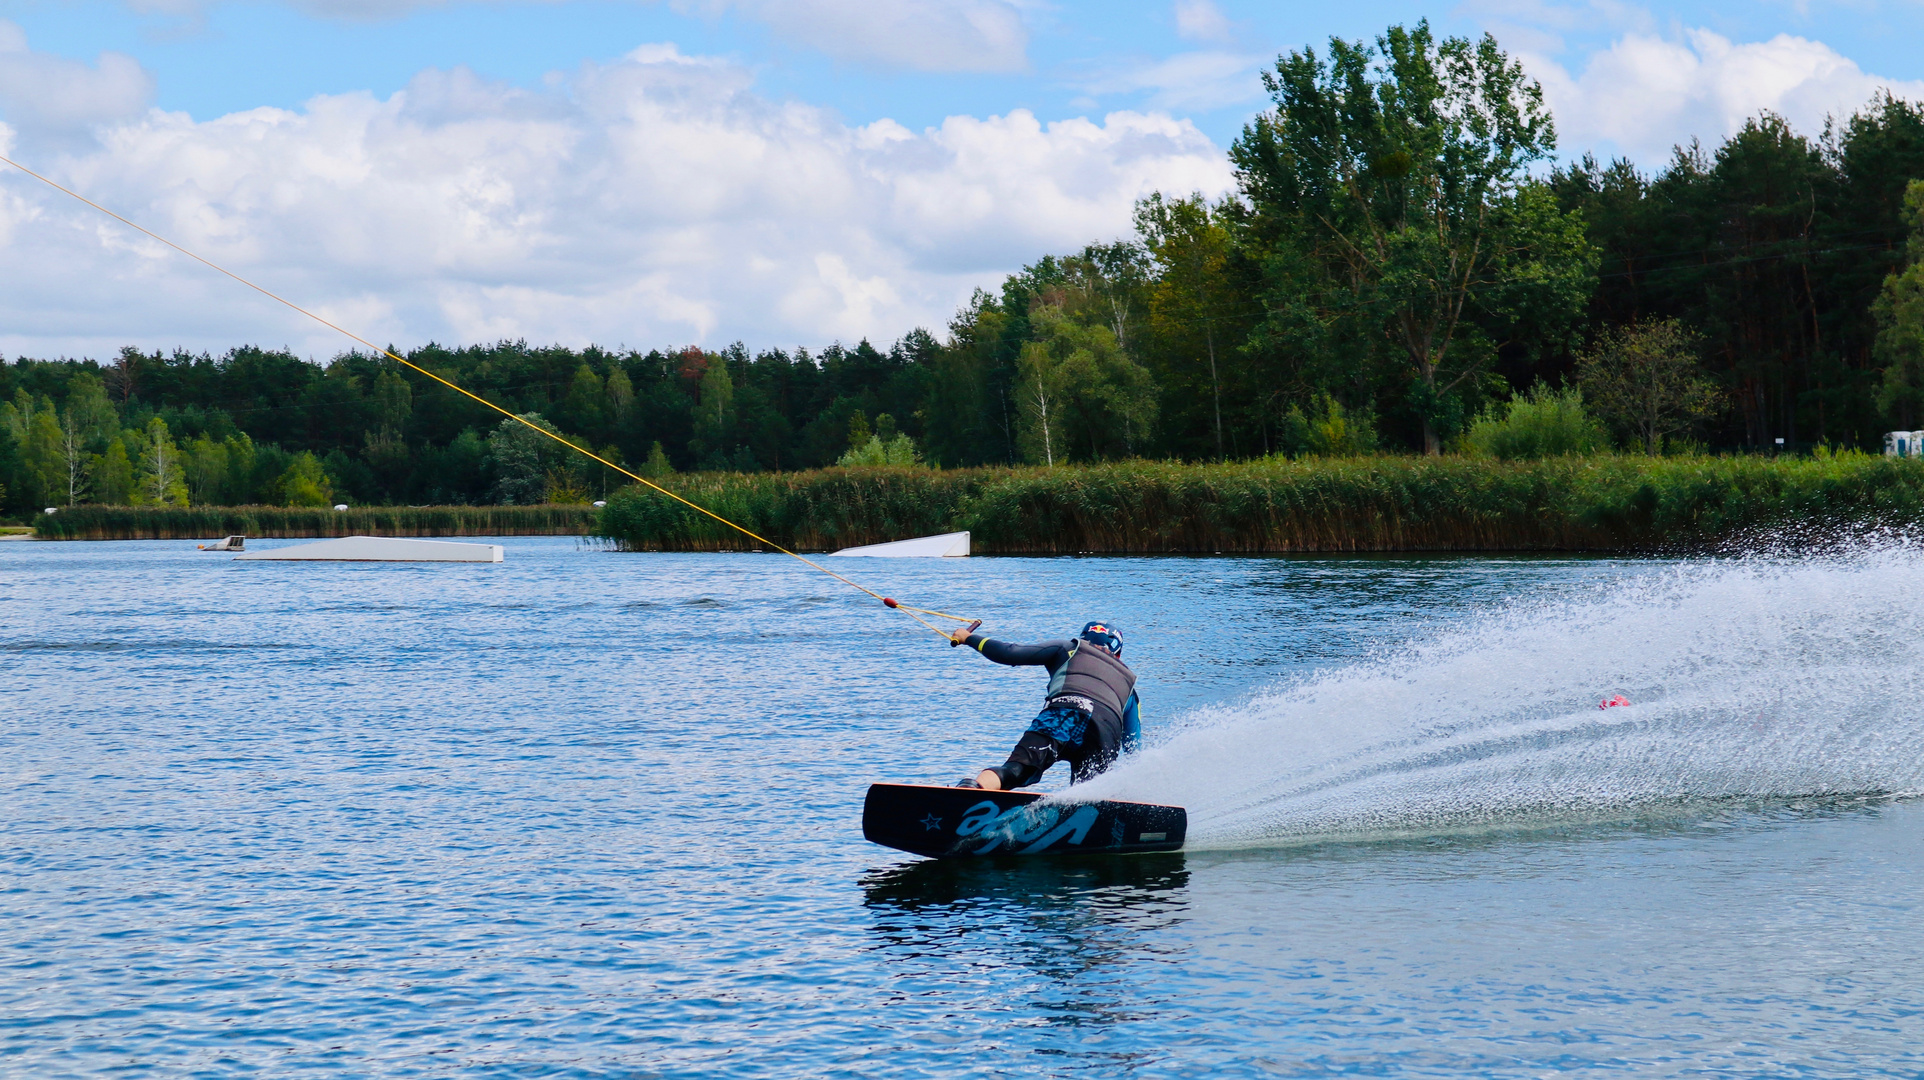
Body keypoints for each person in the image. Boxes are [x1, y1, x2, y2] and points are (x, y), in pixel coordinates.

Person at [949, 620, 1141, 790]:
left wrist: (969, 638)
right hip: (1105, 732)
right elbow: (1135, 750)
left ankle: (974, 789)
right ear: (1119, 654)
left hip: (1065, 713)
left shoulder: (1070, 648)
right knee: (1088, 794)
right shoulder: (1130, 688)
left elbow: (1010, 653)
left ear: (1084, 637)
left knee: (1017, 770)